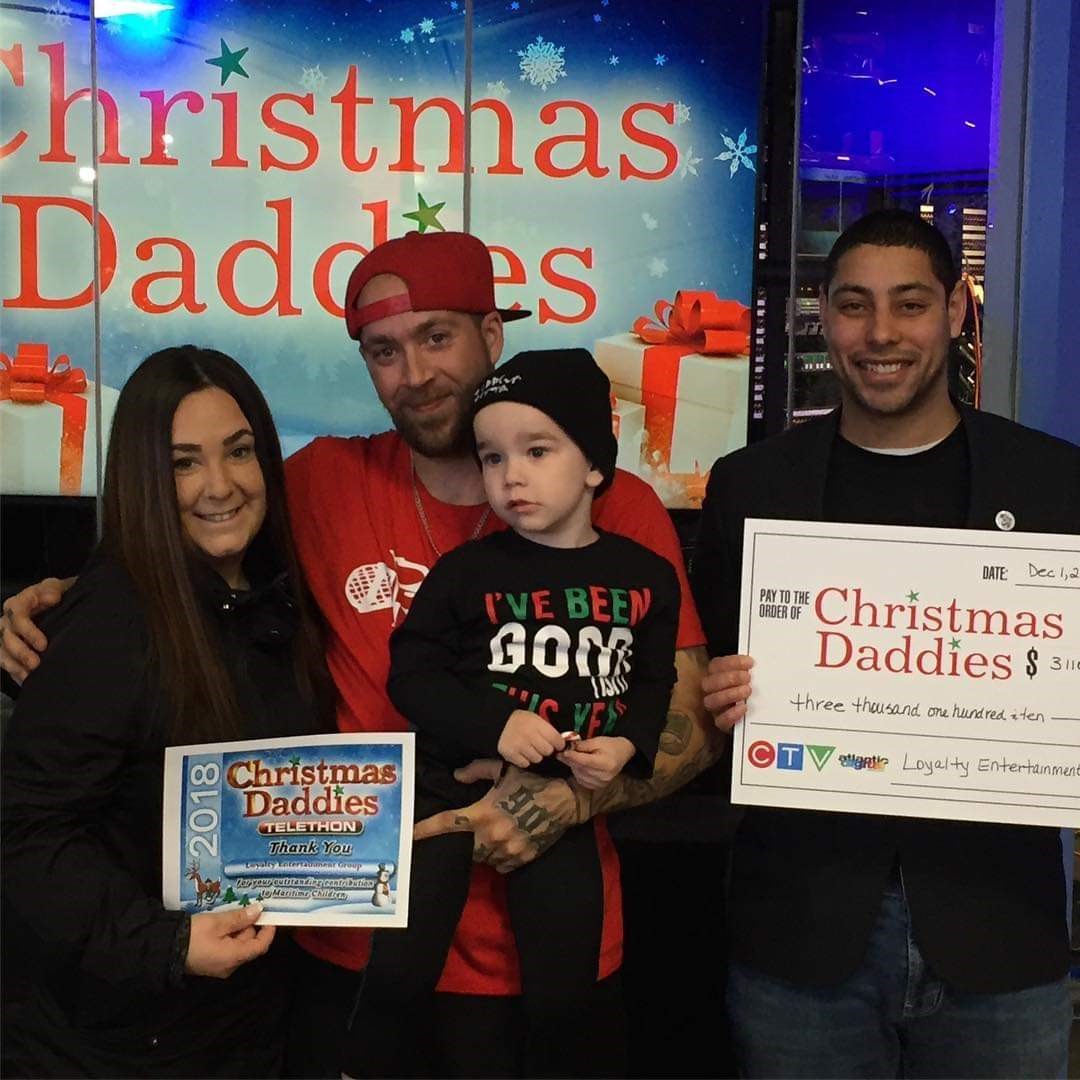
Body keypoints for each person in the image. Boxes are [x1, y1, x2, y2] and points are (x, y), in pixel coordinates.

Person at [1, 232, 722, 1078]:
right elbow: (183, 546)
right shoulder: (318, 483)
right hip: (345, 946)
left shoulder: (614, 507)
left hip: (551, 954)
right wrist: (58, 597)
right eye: (385, 351)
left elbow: (687, 717)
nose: (414, 373)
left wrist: (559, 806)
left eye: (437, 338)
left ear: (492, 337)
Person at [693, 208, 1079, 1079]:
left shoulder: (1058, 484)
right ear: (824, 315)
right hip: (801, 933)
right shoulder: (750, 486)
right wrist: (716, 696)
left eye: (909, 305)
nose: (880, 334)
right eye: (854, 305)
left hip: (1000, 933)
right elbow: (712, 669)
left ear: (954, 310)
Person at [343, 348, 681, 1078]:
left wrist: (626, 748)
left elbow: (655, 683)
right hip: (445, 791)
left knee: (565, 992)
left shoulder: (645, 576)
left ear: (594, 464)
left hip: (565, 803)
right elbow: (413, 676)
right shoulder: (466, 572)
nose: (511, 476)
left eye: (537, 450)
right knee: (398, 973)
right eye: (492, 457)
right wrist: (494, 726)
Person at [1, 346, 331, 1077]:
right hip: (115, 1045)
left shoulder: (279, 598)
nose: (219, 485)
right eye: (183, 462)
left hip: (244, 1026)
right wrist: (166, 945)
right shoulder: (110, 622)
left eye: (238, 452)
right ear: (142, 478)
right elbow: (24, 834)